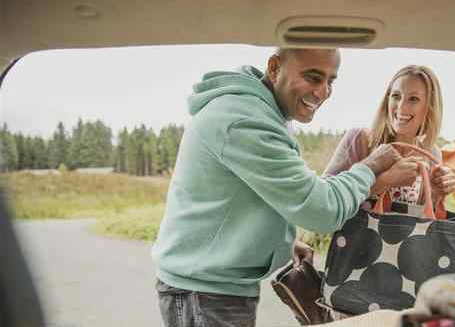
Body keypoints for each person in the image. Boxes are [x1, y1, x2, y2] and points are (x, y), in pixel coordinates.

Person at [150, 48, 409, 327]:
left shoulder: (264, 111)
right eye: (313, 77)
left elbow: (254, 194)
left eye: (330, 81)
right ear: (274, 68)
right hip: (204, 292)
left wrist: (281, 242)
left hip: (213, 287)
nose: (322, 93)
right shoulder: (244, 120)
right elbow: (321, 209)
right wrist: (370, 168)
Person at [324, 65, 455, 210]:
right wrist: (384, 182)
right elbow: (324, 200)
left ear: (429, 107)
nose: (401, 107)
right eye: (396, 96)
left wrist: (436, 192)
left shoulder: (431, 153)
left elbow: (421, 220)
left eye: (413, 99)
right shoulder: (359, 139)